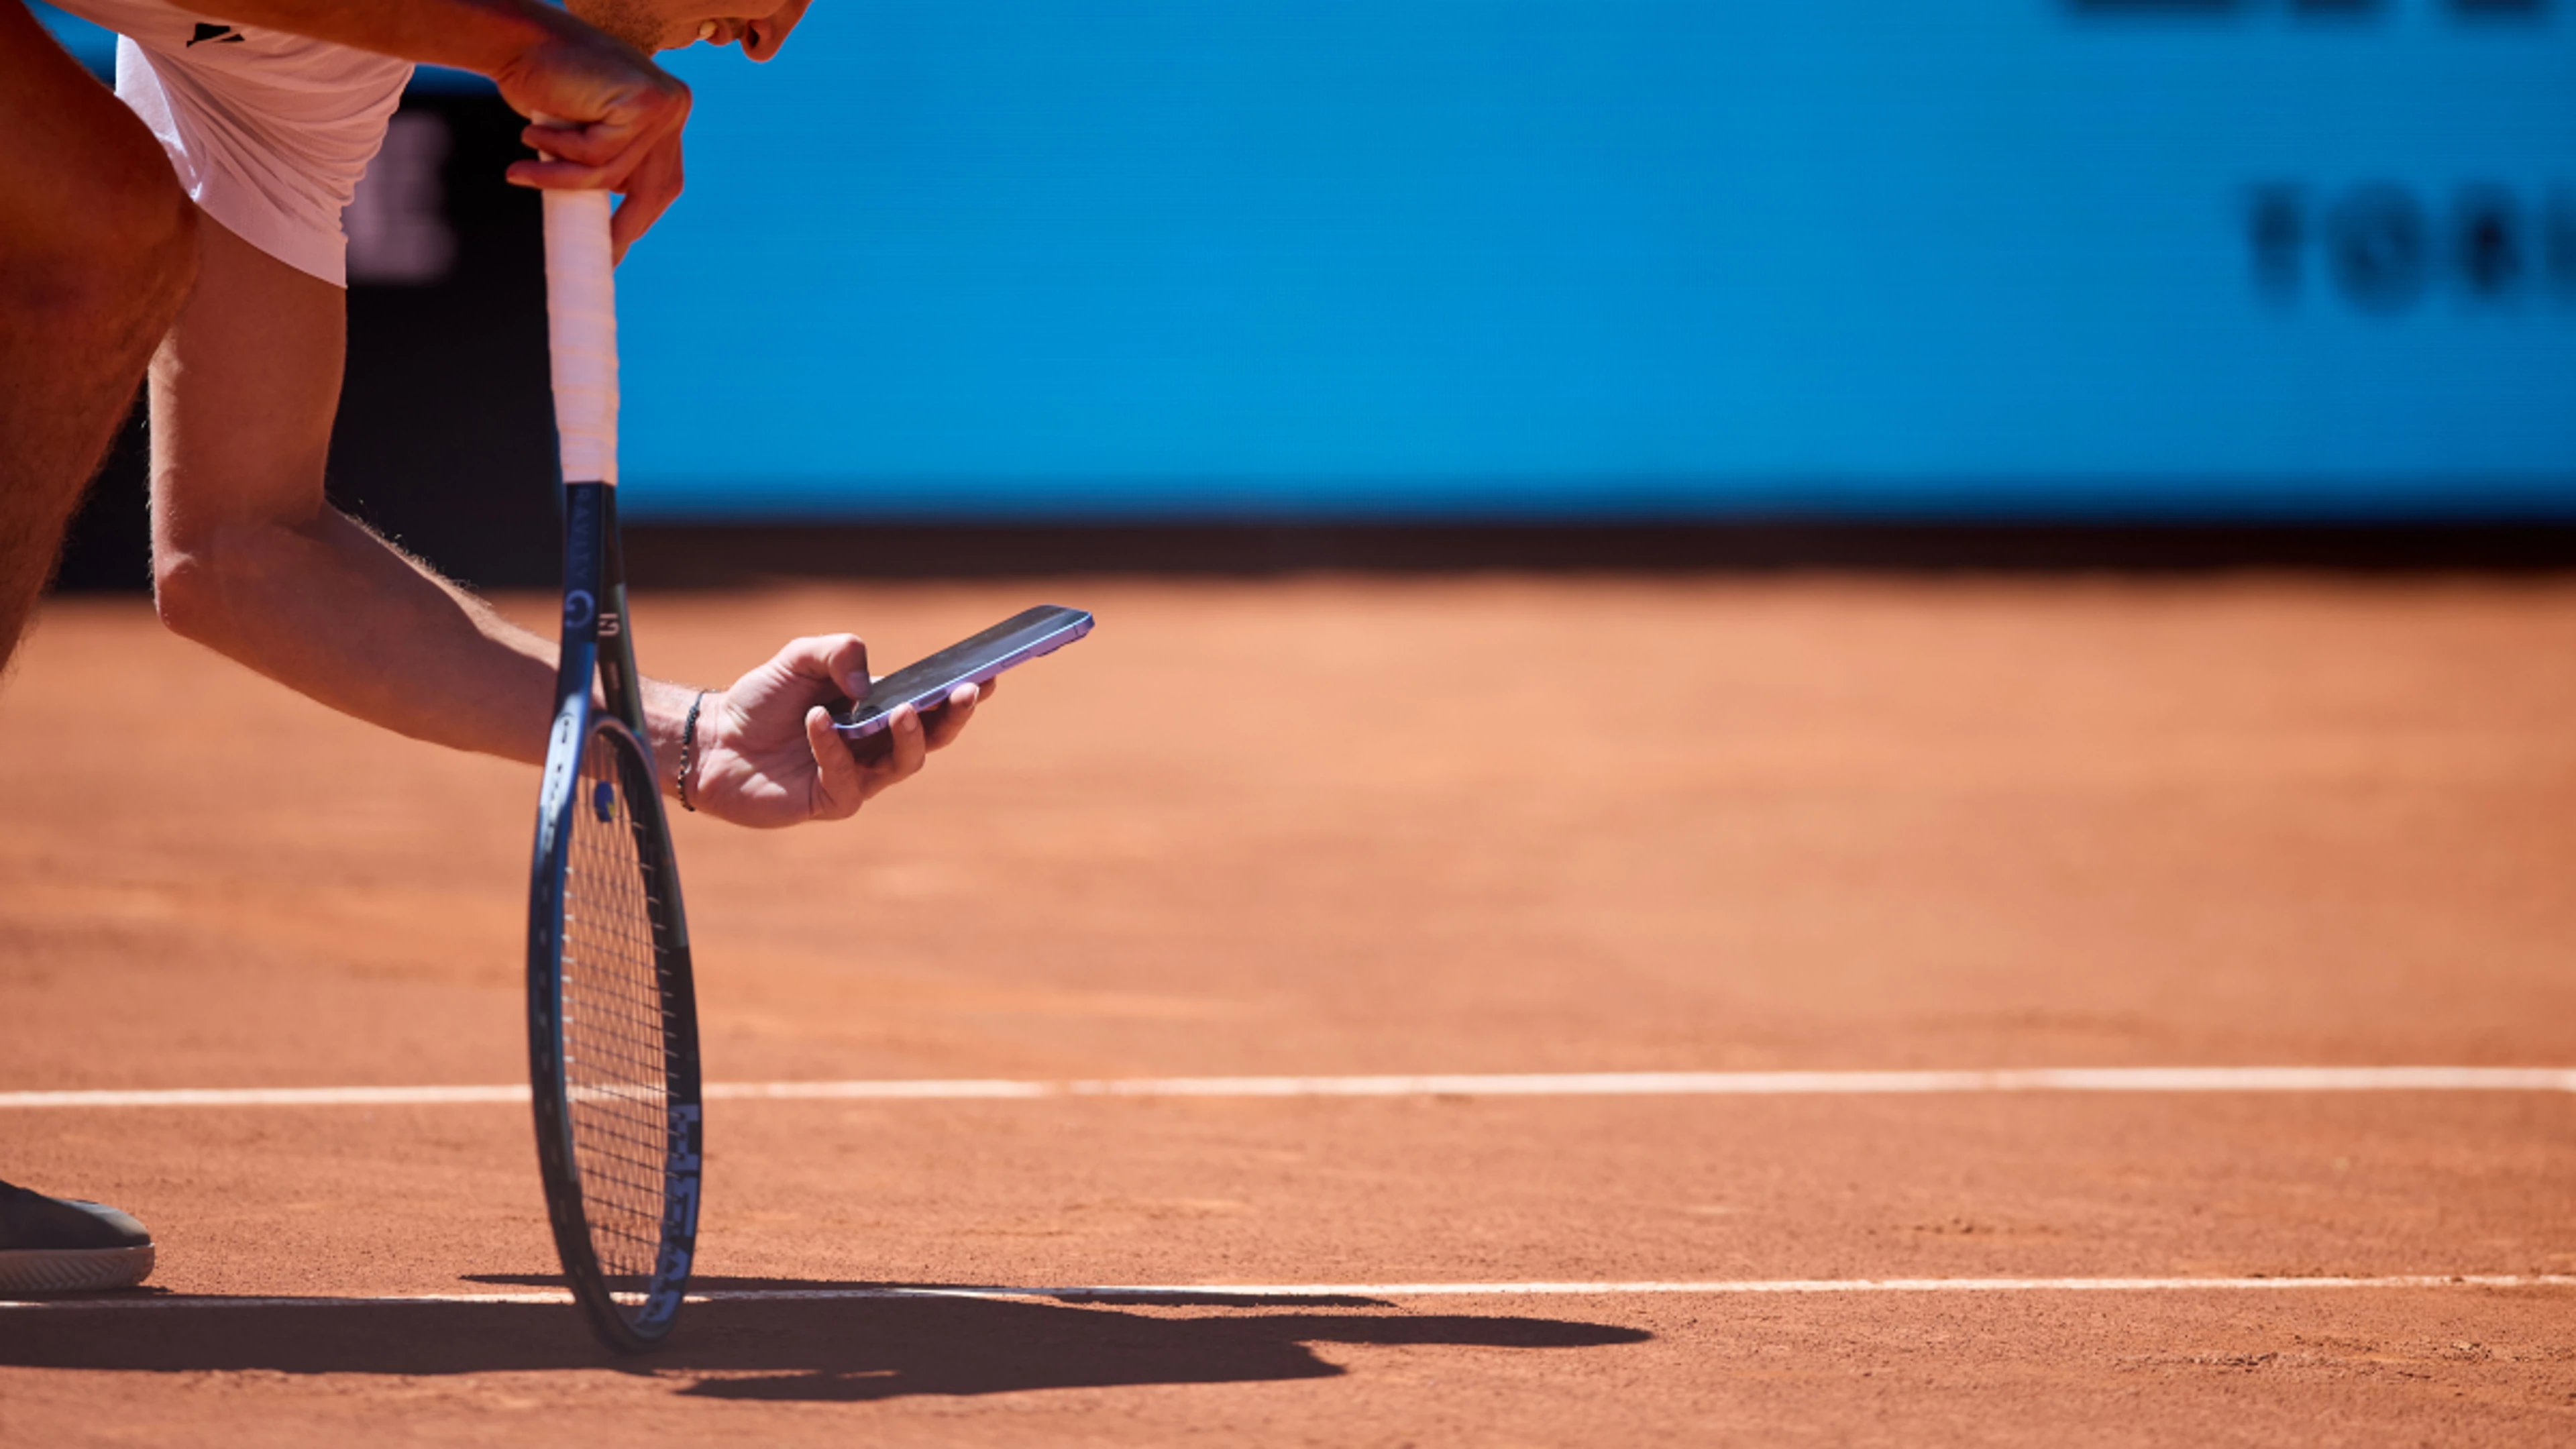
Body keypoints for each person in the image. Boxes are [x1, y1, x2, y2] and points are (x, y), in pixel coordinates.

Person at [0, 0, 986, 1294]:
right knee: (96, 224)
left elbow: (241, 552)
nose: (767, 41)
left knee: (90, 241)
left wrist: (671, 736)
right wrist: (513, 45)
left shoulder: (317, 86)